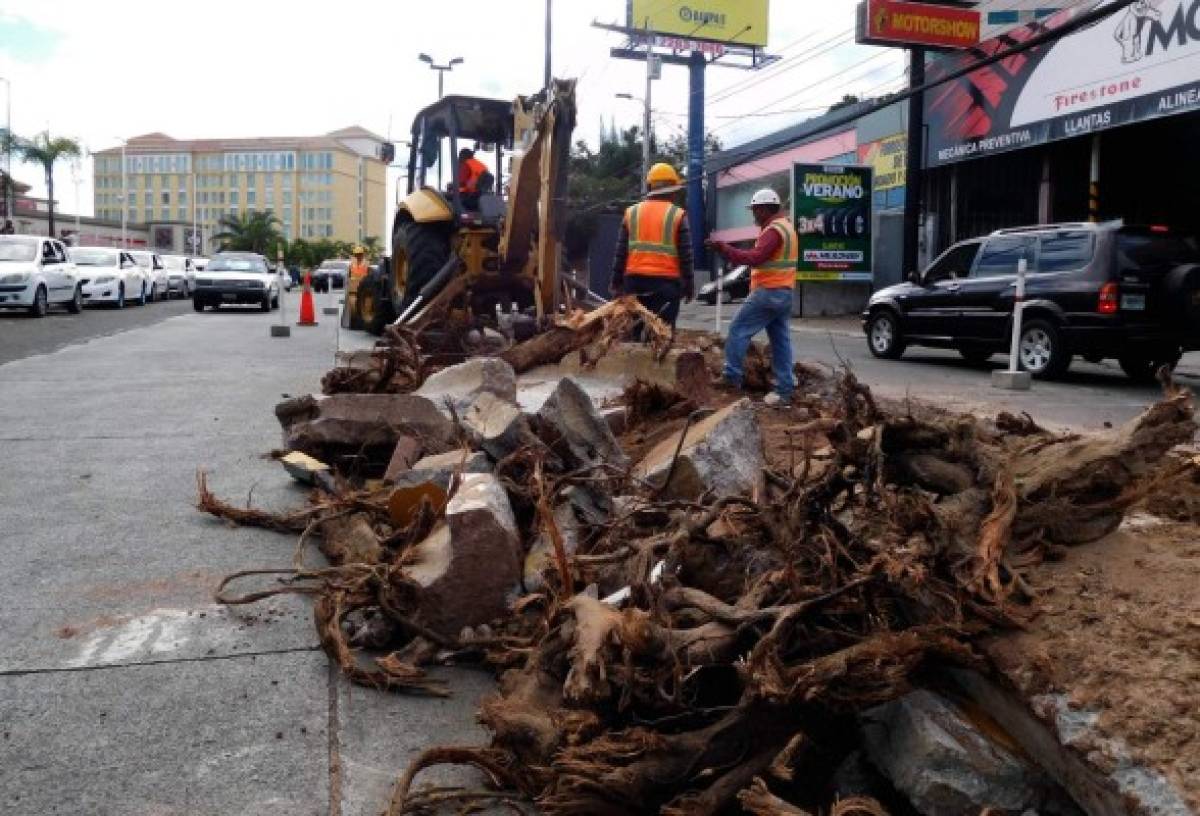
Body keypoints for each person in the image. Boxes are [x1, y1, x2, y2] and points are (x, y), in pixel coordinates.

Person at [706, 188, 798, 406]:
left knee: (737, 330)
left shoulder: (773, 231)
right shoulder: (787, 227)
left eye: (756, 210)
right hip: (784, 292)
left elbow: (755, 258)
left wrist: (724, 249)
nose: (754, 215)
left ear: (765, 209)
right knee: (780, 341)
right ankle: (784, 390)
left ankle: (731, 378)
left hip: (768, 292)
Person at [609, 162, 694, 330]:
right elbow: (686, 255)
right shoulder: (677, 215)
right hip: (666, 285)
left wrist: (616, 283)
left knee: (634, 332)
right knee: (664, 334)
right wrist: (689, 285)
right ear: (673, 190)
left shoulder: (631, 213)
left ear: (650, 187)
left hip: (634, 284)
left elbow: (621, 253)